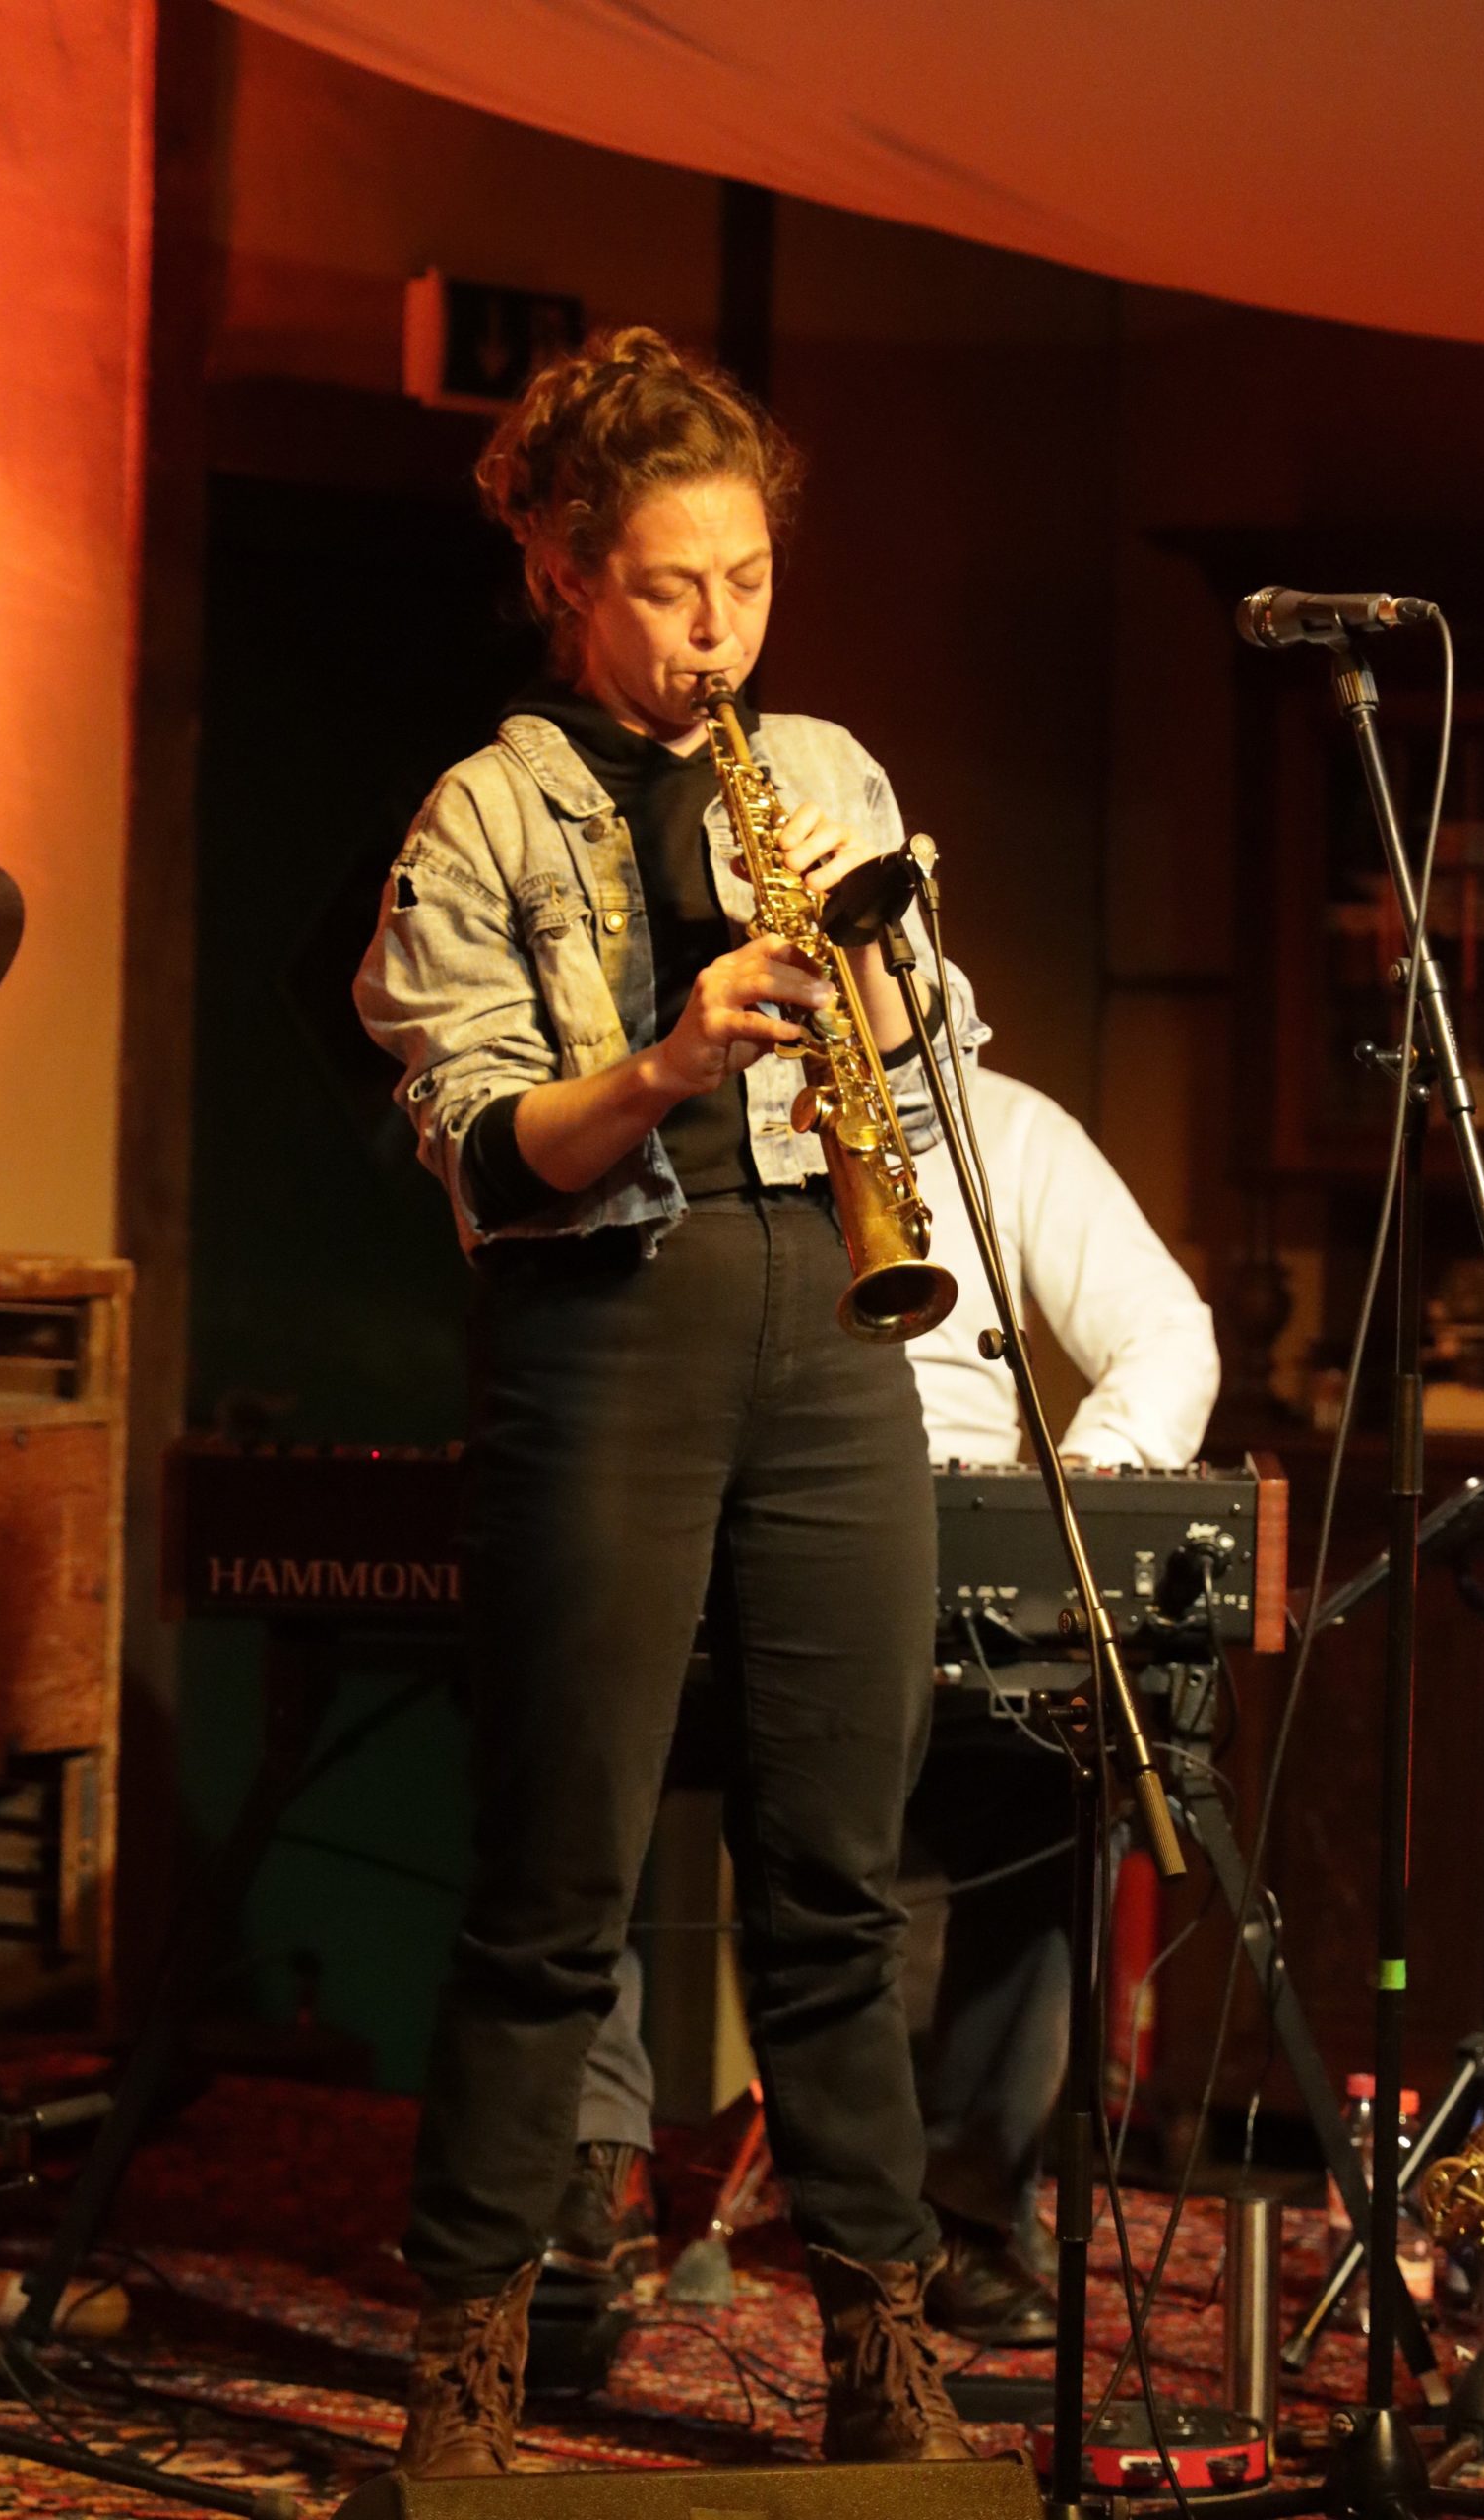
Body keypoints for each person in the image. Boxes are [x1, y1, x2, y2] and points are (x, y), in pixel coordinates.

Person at [355, 325, 987, 2478]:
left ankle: (881, 2349)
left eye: (747, 580)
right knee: (555, 1879)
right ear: (561, 570)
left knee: (839, 1875)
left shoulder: (827, 771)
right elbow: (481, 1142)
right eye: (667, 587)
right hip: (604, 1325)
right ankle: (466, 2350)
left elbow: (942, 1048)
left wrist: (891, 992)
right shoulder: (486, 807)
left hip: (832, 1323)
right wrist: (667, 1057)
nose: (718, 629)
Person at [557, 1057, 1219, 2345]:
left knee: (1053, 1781)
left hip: (937, 1558)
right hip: (691, 1527)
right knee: (569, 1767)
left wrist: (1076, 1495)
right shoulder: (667, 1103)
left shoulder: (1007, 1124)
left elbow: (1165, 1335)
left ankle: (969, 2204)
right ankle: (592, 2161)